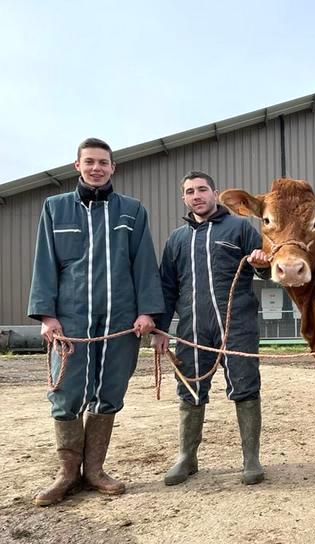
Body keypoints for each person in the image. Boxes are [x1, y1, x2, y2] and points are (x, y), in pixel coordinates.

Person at [28, 138, 165, 506]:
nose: (96, 168)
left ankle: (95, 471)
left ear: (112, 167)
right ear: (77, 165)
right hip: (70, 321)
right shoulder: (55, 209)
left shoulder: (131, 211)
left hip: (121, 318)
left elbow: (143, 264)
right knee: (66, 394)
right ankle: (67, 474)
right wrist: (47, 314)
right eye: (89, 162)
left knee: (109, 392)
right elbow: (45, 263)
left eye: (103, 162)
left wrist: (147, 312)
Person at [151, 171, 271, 486]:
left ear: (214, 193)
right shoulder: (176, 239)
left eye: (202, 189)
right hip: (192, 329)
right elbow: (167, 288)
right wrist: (160, 330)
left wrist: (262, 262)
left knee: (245, 387)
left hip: (237, 326)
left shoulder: (240, 228)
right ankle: (187, 457)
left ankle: (251, 458)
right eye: (190, 191)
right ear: (184, 198)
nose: (197, 196)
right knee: (190, 389)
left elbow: (267, 271)